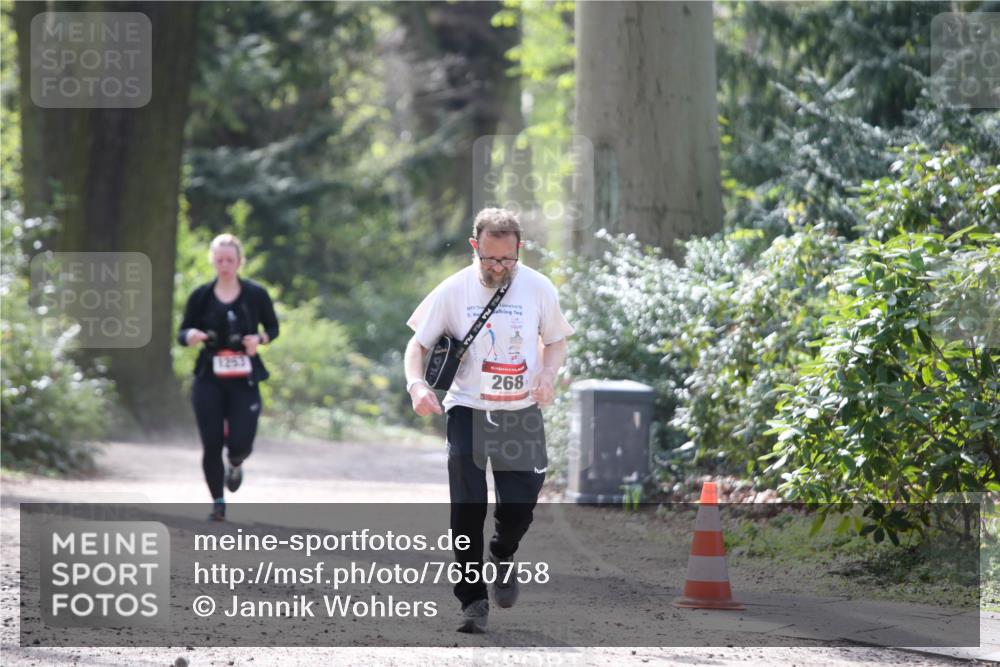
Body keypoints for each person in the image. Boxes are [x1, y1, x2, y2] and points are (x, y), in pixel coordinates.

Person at [404, 208, 573, 633]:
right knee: (466, 509)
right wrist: (416, 386)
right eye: (490, 259)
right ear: (475, 247)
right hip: (469, 410)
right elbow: (417, 346)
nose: (499, 268)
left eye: (508, 260)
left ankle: (502, 553)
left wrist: (548, 375)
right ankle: (473, 601)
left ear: (520, 250)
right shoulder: (453, 290)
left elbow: (555, 342)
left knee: (520, 507)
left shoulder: (538, 287)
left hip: (520, 413)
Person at [177, 234, 279, 521]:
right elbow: (182, 332)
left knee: (241, 442)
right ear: (213, 261)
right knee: (211, 442)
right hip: (209, 375)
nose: (224, 265)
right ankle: (218, 502)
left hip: (244, 377)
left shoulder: (255, 294)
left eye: (230, 260)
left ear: (239, 261)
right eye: (219, 260)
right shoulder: (201, 296)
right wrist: (191, 336)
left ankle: (236, 463)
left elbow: (273, 328)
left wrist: (258, 338)